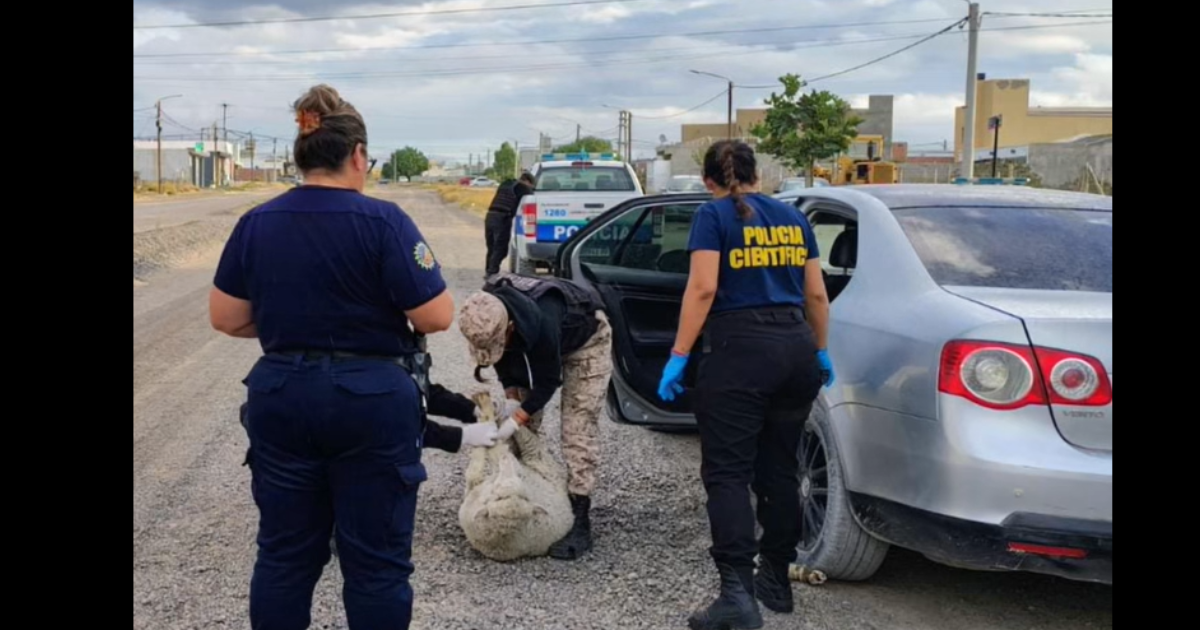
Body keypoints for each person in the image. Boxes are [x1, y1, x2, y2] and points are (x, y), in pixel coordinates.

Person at [209, 83, 454, 630]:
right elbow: (435, 317)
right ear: (359, 155)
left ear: (301, 155)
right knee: (376, 566)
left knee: (284, 557)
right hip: (370, 401)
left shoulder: (257, 221)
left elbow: (226, 318)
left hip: (281, 395)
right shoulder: (385, 222)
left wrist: (291, 325)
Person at [657, 140, 834, 630]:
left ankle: (737, 594)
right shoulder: (795, 219)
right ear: (759, 175)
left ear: (708, 181)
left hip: (740, 352)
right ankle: (775, 579)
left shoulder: (712, 217)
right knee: (779, 467)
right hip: (795, 346)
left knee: (728, 474)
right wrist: (819, 350)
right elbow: (816, 294)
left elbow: (704, 288)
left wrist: (678, 356)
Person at [457, 272, 612, 560]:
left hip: (585, 339)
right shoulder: (486, 310)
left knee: (578, 425)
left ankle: (579, 512)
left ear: (511, 327)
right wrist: (511, 398)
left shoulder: (544, 318)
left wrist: (519, 418)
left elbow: (548, 379)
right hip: (535, 338)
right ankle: (507, 498)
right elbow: (502, 358)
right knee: (519, 430)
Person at [484, 172, 535, 277]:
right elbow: (531, 198)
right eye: (531, 185)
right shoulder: (523, 187)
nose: (530, 188)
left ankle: (489, 270)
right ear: (528, 182)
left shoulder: (506, 184)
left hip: (490, 215)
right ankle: (492, 272)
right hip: (502, 218)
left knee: (492, 246)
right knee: (501, 248)